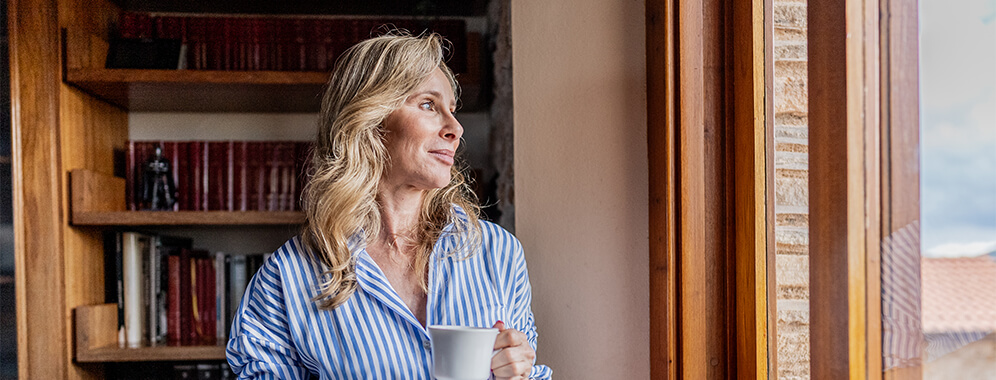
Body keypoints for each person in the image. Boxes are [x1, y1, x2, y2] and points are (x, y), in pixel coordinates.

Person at [226, 31, 553, 380]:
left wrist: (518, 374)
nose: (456, 128)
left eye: (452, 110)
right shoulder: (288, 277)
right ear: (370, 119)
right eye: (428, 105)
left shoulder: (498, 253)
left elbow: (524, 369)